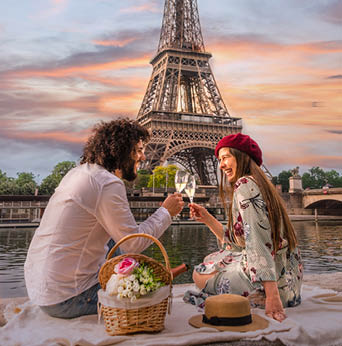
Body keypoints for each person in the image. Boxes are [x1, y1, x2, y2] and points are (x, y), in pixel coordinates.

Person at [24, 118, 184, 319]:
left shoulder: (78, 173)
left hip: (41, 290)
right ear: (123, 151)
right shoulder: (108, 183)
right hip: (67, 298)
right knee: (150, 292)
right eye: (139, 150)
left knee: (119, 243)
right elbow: (133, 243)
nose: (143, 157)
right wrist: (166, 212)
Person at [188, 133, 303, 322]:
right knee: (213, 258)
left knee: (199, 273)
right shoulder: (262, 186)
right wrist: (207, 219)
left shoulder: (244, 185)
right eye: (219, 159)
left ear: (241, 156)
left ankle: (264, 293)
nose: (221, 165)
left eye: (226, 157)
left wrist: (272, 297)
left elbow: (257, 239)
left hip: (271, 289)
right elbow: (239, 241)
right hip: (291, 285)